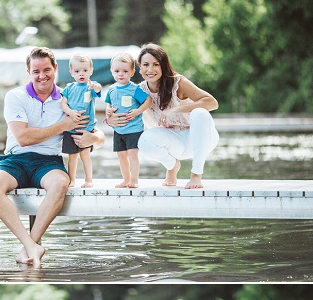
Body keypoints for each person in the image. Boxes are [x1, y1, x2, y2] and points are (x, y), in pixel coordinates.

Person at [0, 47, 106, 267]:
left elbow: (98, 132)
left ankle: (30, 245)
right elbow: (23, 137)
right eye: (36, 71)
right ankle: (31, 246)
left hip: (48, 162)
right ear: (28, 71)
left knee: (61, 182)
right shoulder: (15, 96)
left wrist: (93, 139)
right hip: (15, 159)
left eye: (47, 70)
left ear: (56, 68)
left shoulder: (68, 97)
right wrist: (62, 125)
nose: (42, 76)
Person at [106, 43, 219, 190]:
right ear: (139, 67)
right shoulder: (139, 91)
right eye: (146, 64)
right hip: (175, 143)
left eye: (156, 64)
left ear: (163, 66)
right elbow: (121, 112)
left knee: (200, 112)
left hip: (199, 139)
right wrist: (110, 119)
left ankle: (196, 175)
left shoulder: (178, 83)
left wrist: (177, 109)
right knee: (143, 141)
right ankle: (172, 166)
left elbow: (212, 102)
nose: (150, 69)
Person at [104, 53, 152, 189]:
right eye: (117, 71)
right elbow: (109, 104)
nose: (121, 74)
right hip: (118, 130)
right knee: (121, 155)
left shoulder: (134, 89)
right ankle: (126, 180)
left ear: (132, 72)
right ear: (112, 71)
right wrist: (109, 111)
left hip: (133, 129)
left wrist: (138, 111)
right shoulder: (111, 89)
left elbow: (148, 100)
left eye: (125, 71)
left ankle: (134, 180)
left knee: (132, 154)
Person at [59, 54, 102, 188]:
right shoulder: (69, 88)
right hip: (71, 130)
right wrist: (71, 113)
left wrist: (96, 87)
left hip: (86, 129)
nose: (81, 74)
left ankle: (89, 179)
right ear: (72, 72)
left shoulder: (90, 87)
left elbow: (98, 89)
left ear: (91, 71)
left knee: (85, 156)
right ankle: (72, 180)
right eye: (77, 71)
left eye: (85, 70)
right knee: (72, 157)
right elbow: (63, 104)